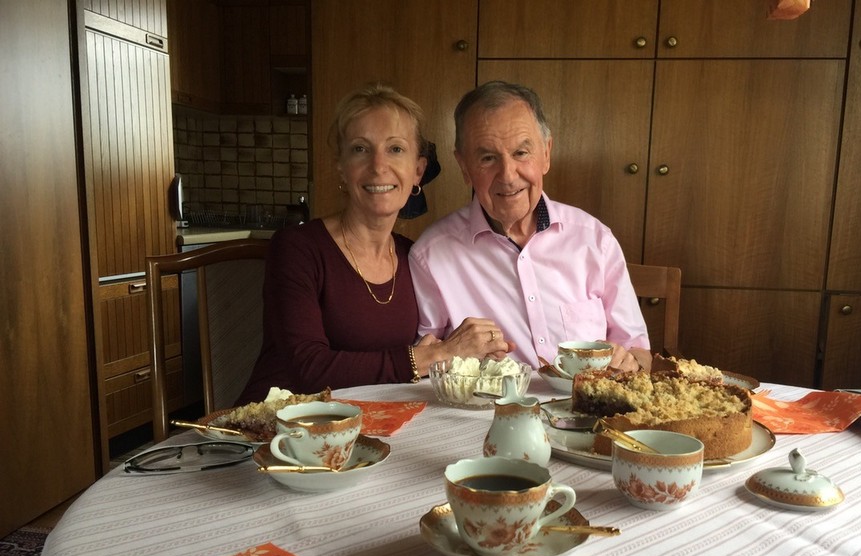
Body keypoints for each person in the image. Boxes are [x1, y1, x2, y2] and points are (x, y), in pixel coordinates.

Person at [237, 84, 512, 404]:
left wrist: (476, 352)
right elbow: (309, 369)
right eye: (360, 149)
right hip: (275, 429)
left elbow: (432, 349)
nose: (378, 166)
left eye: (395, 149)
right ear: (341, 166)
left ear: (417, 171)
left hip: (369, 425)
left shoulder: (416, 257)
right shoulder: (297, 248)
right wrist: (433, 356)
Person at [409, 81, 651, 373]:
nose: (508, 176)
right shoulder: (430, 256)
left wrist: (631, 361)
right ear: (464, 166)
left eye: (521, 153)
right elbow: (425, 366)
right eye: (487, 158)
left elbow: (639, 351)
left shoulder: (595, 240)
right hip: (485, 415)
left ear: (546, 153)